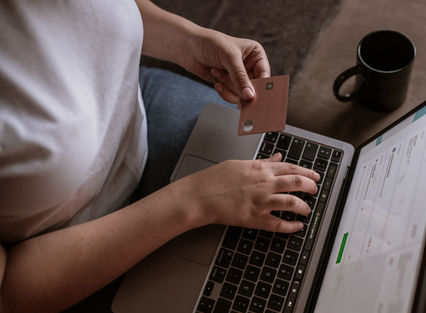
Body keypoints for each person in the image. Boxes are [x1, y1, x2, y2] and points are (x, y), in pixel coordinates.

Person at [0, 1, 320, 312]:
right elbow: (8, 295)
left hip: (136, 108)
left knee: (310, 189)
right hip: (75, 252)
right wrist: (195, 200)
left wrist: (189, 40)